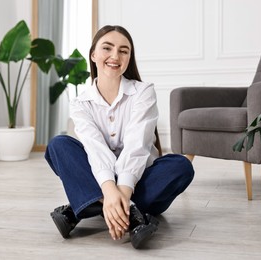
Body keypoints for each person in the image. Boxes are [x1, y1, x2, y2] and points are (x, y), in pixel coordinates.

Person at [45, 25, 194, 249]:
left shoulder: (143, 92)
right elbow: (94, 148)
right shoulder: (80, 103)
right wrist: (109, 191)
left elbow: (137, 145)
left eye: (124, 51)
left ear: (129, 58)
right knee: (59, 145)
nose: (115, 56)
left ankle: (83, 207)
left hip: (139, 178)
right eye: (107, 48)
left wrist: (122, 191)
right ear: (93, 54)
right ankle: (133, 214)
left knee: (181, 166)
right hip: (99, 178)